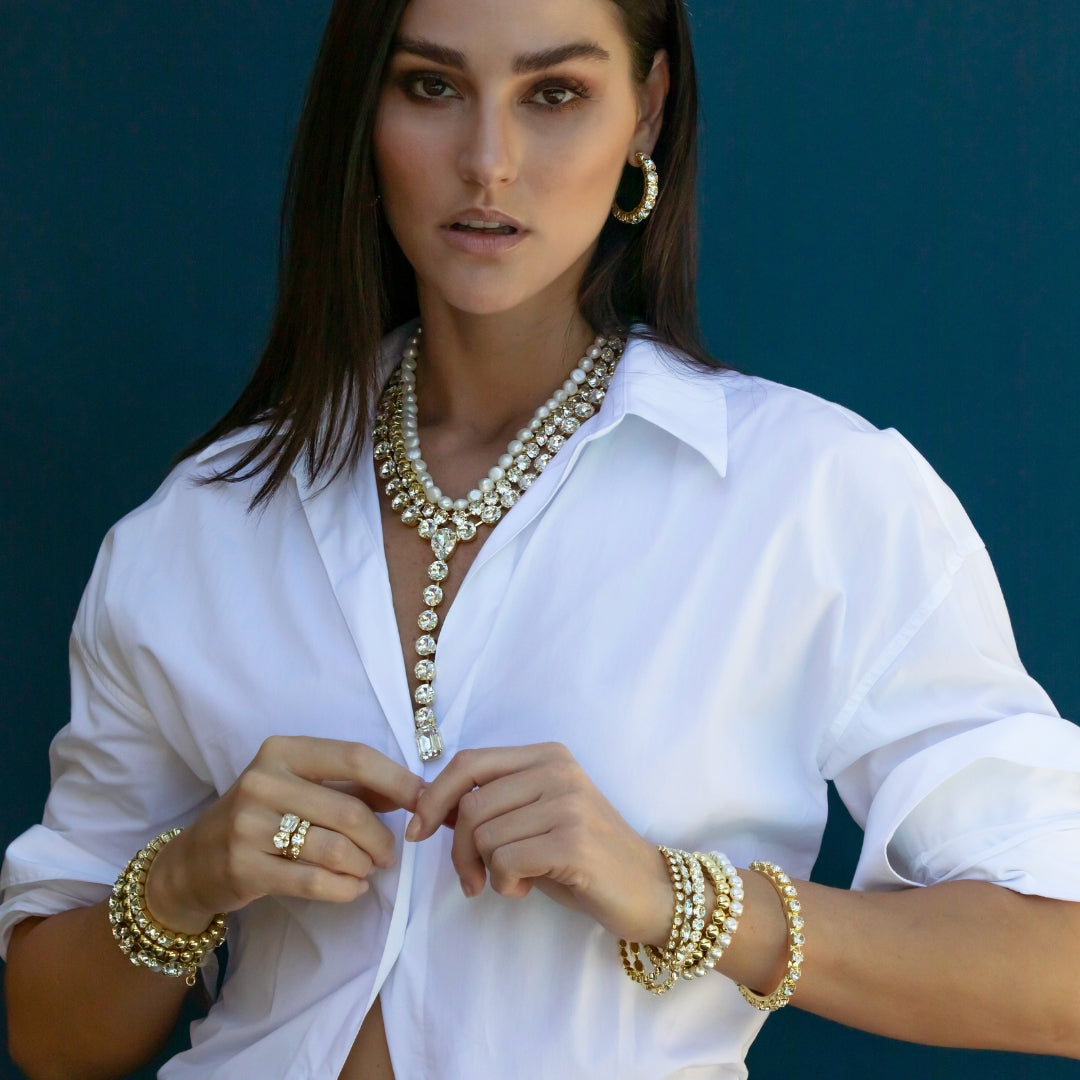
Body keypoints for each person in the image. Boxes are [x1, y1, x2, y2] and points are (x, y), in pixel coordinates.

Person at [3, 0, 1080, 1076]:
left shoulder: (809, 496)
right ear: (366, 108)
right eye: (431, 86)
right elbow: (50, 1040)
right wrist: (186, 878)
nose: (488, 161)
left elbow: (1058, 972)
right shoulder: (201, 523)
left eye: (554, 93)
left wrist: (677, 898)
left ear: (646, 112)